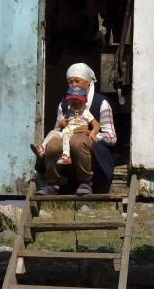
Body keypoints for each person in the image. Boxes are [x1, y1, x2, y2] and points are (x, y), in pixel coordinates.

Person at [37, 63, 117, 195]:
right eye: (70, 82)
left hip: (92, 153)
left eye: (77, 81)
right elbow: (58, 131)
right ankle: (52, 183)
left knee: (78, 141)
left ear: (88, 83)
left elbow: (112, 138)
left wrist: (91, 134)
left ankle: (86, 182)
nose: (73, 84)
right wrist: (62, 125)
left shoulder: (101, 103)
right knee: (53, 144)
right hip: (67, 145)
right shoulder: (64, 104)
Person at [34, 85, 100, 166]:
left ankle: (66, 156)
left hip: (76, 134)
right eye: (73, 104)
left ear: (85, 101)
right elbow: (63, 124)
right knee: (53, 132)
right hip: (66, 132)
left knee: (66, 136)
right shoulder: (68, 112)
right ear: (68, 102)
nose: (77, 106)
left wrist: (92, 133)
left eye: (80, 103)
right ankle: (42, 149)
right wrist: (62, 124)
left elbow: (96, 125)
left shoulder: (86, 113)